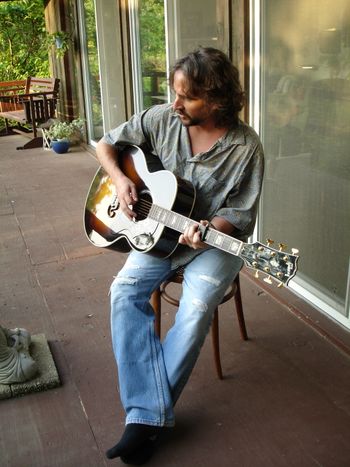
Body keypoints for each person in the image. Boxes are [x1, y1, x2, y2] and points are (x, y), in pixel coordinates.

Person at [95, 47, 264, 464]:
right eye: (175, 93)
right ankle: (151, 416)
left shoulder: (247, 148)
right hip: (156, 235)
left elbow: (239, 213)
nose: (175, 104)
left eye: (187, 97)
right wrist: (119, 180)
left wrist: (207, 230)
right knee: (123, 292)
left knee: (197, 306)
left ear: (218, 99)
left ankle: (143, 419)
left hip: (211, 243)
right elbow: (105, 143)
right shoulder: (163, 119)